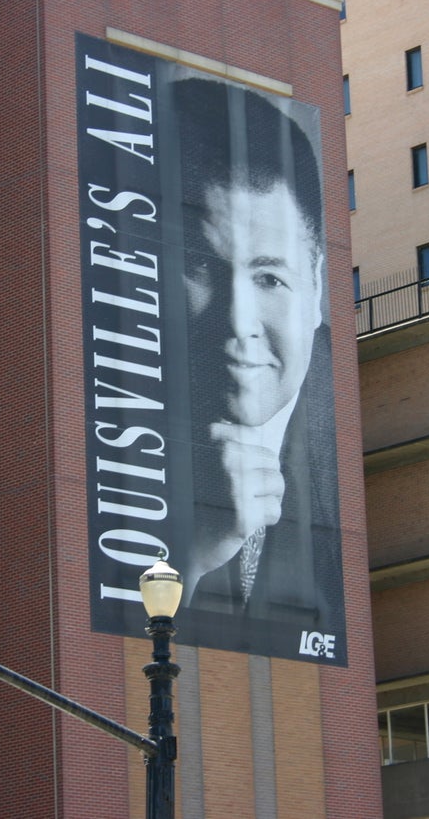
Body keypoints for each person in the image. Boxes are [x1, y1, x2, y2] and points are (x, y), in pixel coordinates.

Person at [170, 76, 343, 628]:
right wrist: (187, 554)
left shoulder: (351, 458)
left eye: (269, 279)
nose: (239, 321)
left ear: (315, 286)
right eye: (199, 268)